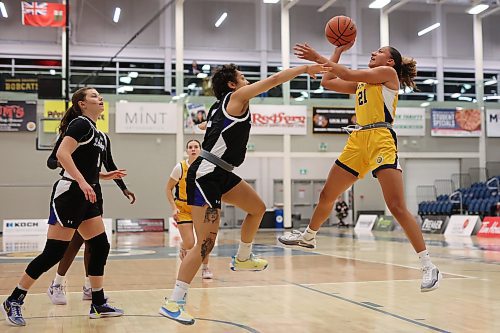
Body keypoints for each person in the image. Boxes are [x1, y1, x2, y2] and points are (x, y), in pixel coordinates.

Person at [159, 62, 327, 325]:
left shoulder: (220, 106)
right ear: (232, 84)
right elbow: (274, 80)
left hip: (222, 172)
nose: (247, 80)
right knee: (205, 243)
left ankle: (243, 257)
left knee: (258, 208)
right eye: (242, 77)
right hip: (206, 174)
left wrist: (208, 127)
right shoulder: (236, 97)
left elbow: (211, 127)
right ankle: (174, 301)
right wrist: (304, 69)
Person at [278, 42, 442, 292]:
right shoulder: (365, 84)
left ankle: (429, 265)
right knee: (327, 194)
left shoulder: (388, 75)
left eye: (379, 52)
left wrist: (317, 56)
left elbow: (347, 74)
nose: (373, 53)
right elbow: (328, 81)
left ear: (390, 62)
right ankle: (309, 237)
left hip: (381, 139)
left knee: (396, 206)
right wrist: (337, 52)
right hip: (357, 141)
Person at [2, 87, 125, 326]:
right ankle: (14, 299)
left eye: (99, 96)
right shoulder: (80, 124)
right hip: (70, 194)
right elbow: (62, 153)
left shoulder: (96, 132)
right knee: (54, 253)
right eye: (93, 96)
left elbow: (81, 162)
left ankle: (98, 303)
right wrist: (82, 181)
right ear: (81, 103)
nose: (99, 99)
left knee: (100, 245)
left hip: (86, 194)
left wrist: (101, 176)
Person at [45, 131, 136, 305]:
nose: (100, 102)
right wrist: (66, 164)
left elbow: (109, 164)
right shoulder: (71, 133)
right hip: (74, 188)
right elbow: (50, 162)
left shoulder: (102, 137)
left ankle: (89, 287)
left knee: (93, 243)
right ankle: (57, 283)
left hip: (94, 190)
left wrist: (123, 188)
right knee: (74, 241)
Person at [165, 139, 213, 279]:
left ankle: (205, 268)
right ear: (187, 151)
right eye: (190, 147)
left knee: (204, 241)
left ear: (200, 150)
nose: (193, 149)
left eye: (196, 147)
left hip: (200, 208)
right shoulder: (180, 167)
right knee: (190, 243)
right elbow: (168, 189)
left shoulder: (206, 168)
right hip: (183, 208)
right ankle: (183, 245)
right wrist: (174, 208)